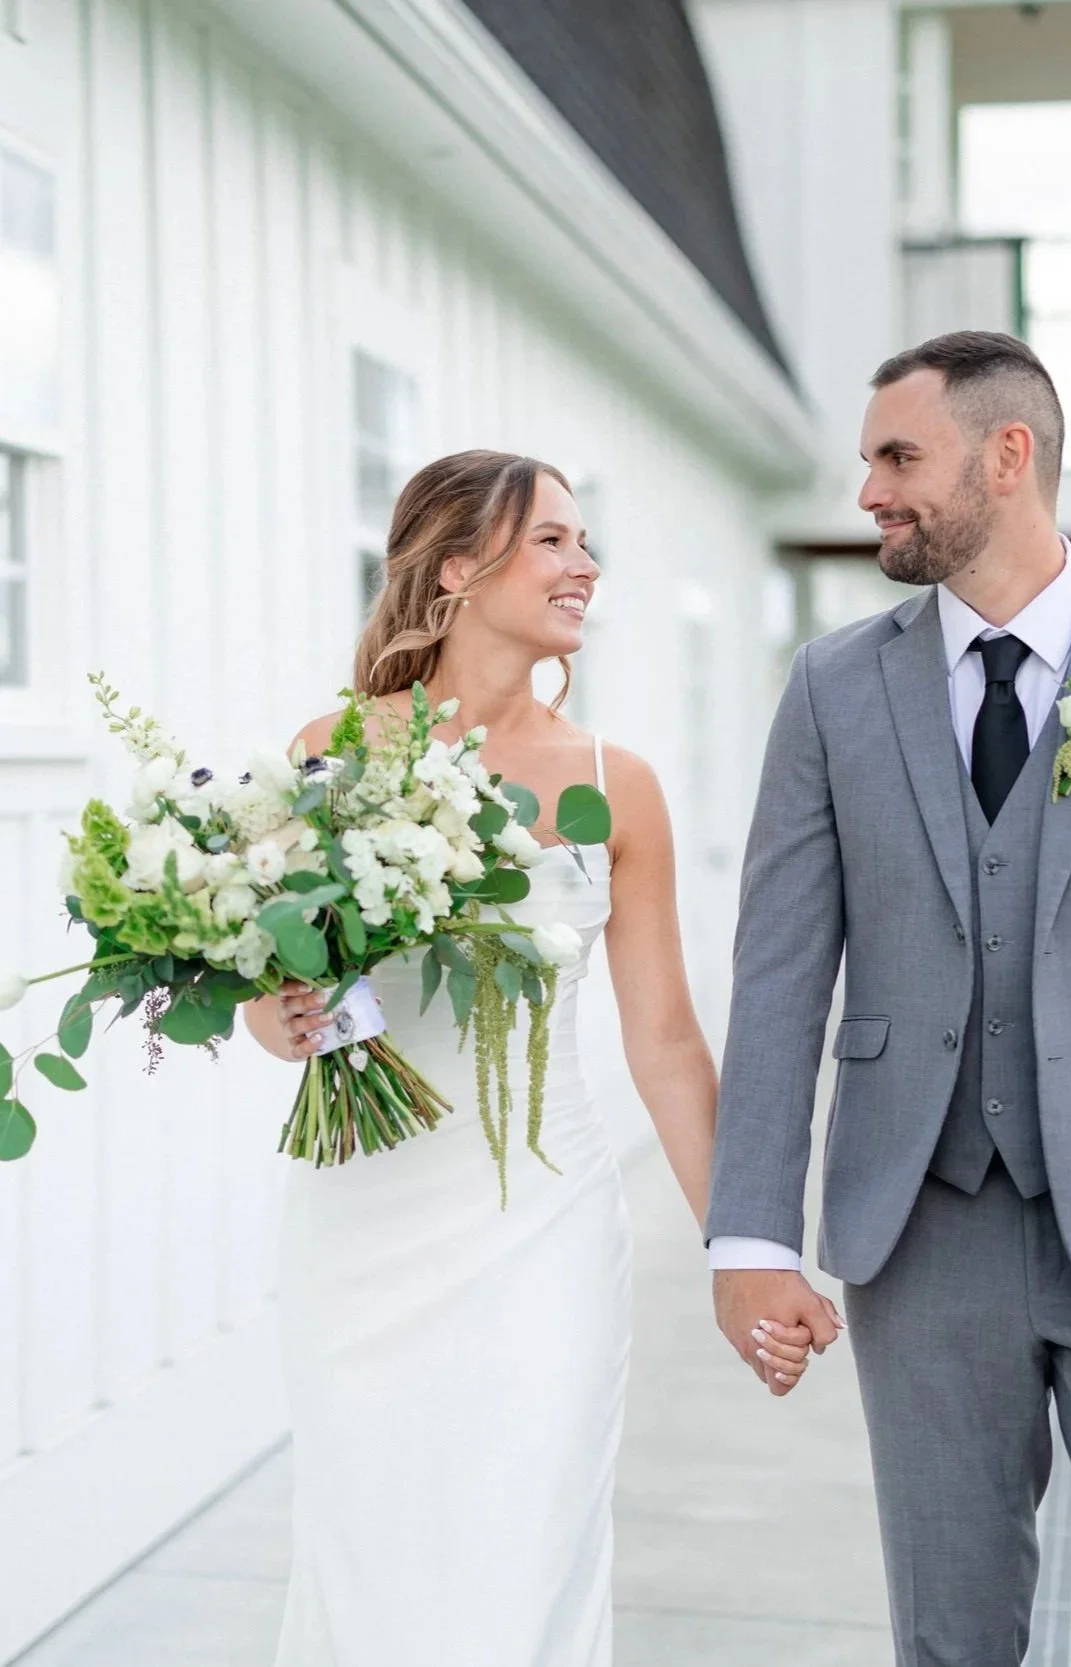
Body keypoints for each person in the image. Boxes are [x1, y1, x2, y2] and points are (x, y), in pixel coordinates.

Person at [707, 333, 1071, 1666]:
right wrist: (747, 1237)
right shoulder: (833, 686)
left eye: (897, 457)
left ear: (1008, 456)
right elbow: (776, 969)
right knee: (949, 1632)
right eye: (866, 461)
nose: (868, 492)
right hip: (922, 1224)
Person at [245, 450, 812, 1667]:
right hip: (362, 1219)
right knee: (370, 1550)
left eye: (583, 540)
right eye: (551, 539)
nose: (583, 564)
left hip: (540, 1226)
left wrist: (744, 1248)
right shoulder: (329, 751)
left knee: (525, 1546)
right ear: (456, 566)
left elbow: (662, 1039)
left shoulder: (621, 786)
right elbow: (272, 987)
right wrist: (279, 1016)